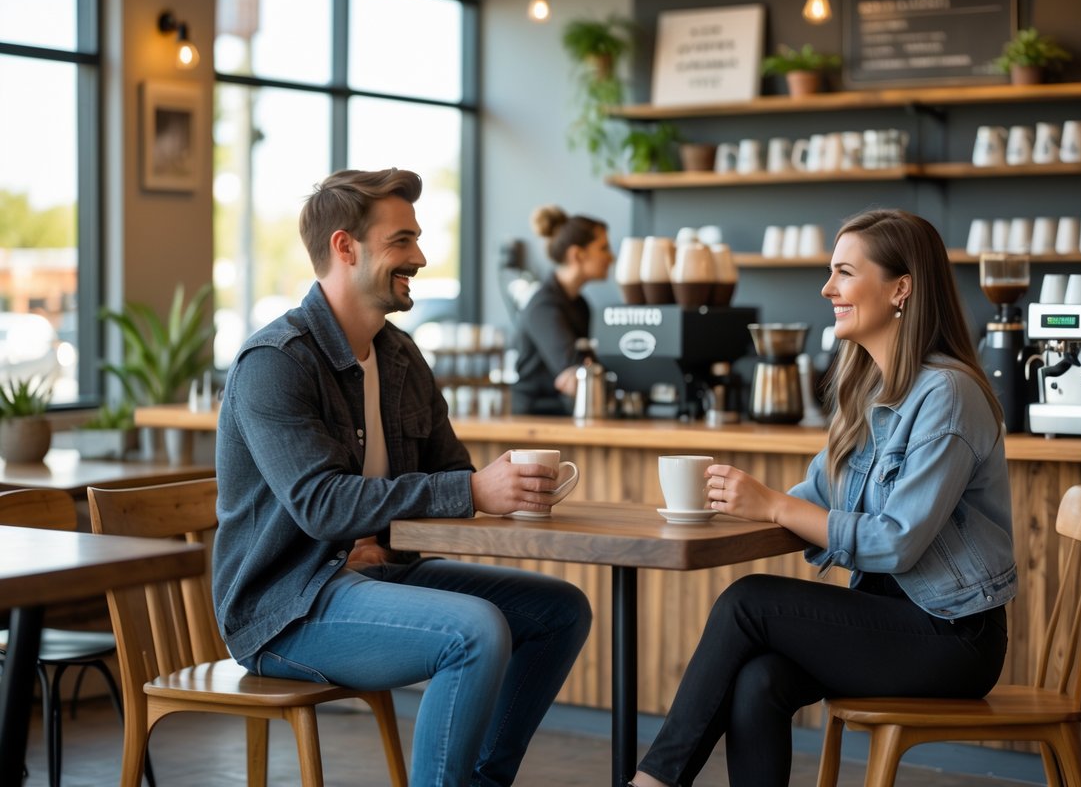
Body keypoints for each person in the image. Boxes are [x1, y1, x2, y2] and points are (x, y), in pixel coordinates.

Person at [212, 168, 592, 787]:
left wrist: (405, 526)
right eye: (402, 241)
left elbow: (447, 468)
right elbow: (320, 504)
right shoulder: (273, 362)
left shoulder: (399, 354)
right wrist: (469, 494)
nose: (420, 256)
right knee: (474, 632)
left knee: (560, 611)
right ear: (345, 247)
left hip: (377, 573)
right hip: (286, 608)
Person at [631, 209, 1017, 787]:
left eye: (843, 272)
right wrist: (725, 507)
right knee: (759, 679)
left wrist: (772, 505)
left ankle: (652, 781)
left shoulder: (948, 394)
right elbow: (814, 493)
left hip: (953, 636)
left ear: (900, 289)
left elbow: (896, 541)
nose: (827, 288)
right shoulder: (866, 386)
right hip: (894, 619)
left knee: (748, 602)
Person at [511, 205, 613, 415]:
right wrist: (581, 371)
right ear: (577, 254)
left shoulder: (580, 304)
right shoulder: (543, 307)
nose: (611, 257)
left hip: (562, 412)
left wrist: (584, 371)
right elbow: (575, 375)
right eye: (603, 248)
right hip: (534, 419)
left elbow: (584, 371)